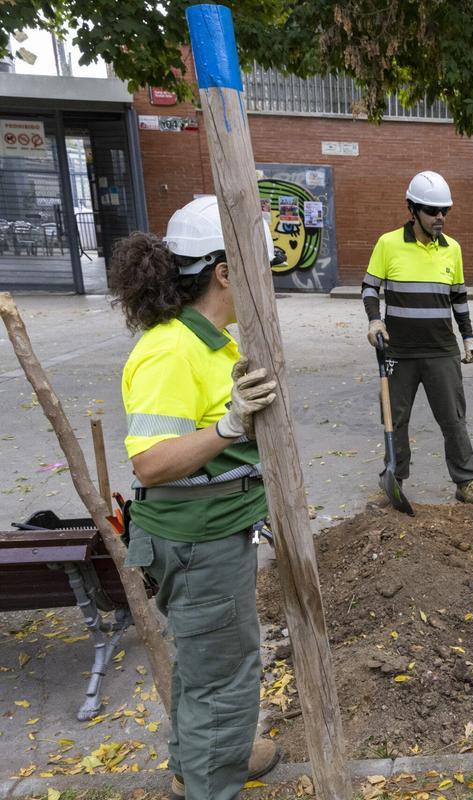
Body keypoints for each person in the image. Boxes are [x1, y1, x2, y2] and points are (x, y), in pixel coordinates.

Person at [112, 196, 282, 800]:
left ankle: (204, 760)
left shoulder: (207, 340)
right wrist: (231, 426)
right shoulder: (170, 350)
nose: (267, 281)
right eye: (259, 266)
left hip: (208, 533)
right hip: (197, 541)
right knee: (226, 676)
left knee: (206, 665)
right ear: (226, 272)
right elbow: (150, 463)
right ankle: (214, 783)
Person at [361, 170, 473, 506]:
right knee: (395, 420)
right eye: (433, 211)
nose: (440, 218)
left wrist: (469, 338)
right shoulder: (388, 244)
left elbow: (458, 298)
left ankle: (467, 483)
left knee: (453, 419)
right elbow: (369, 287)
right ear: (412, 209)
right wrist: (375, 320)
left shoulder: (453, 250)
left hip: (441, 351)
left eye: (445, 211)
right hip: (398, 351)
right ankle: (393, 480)